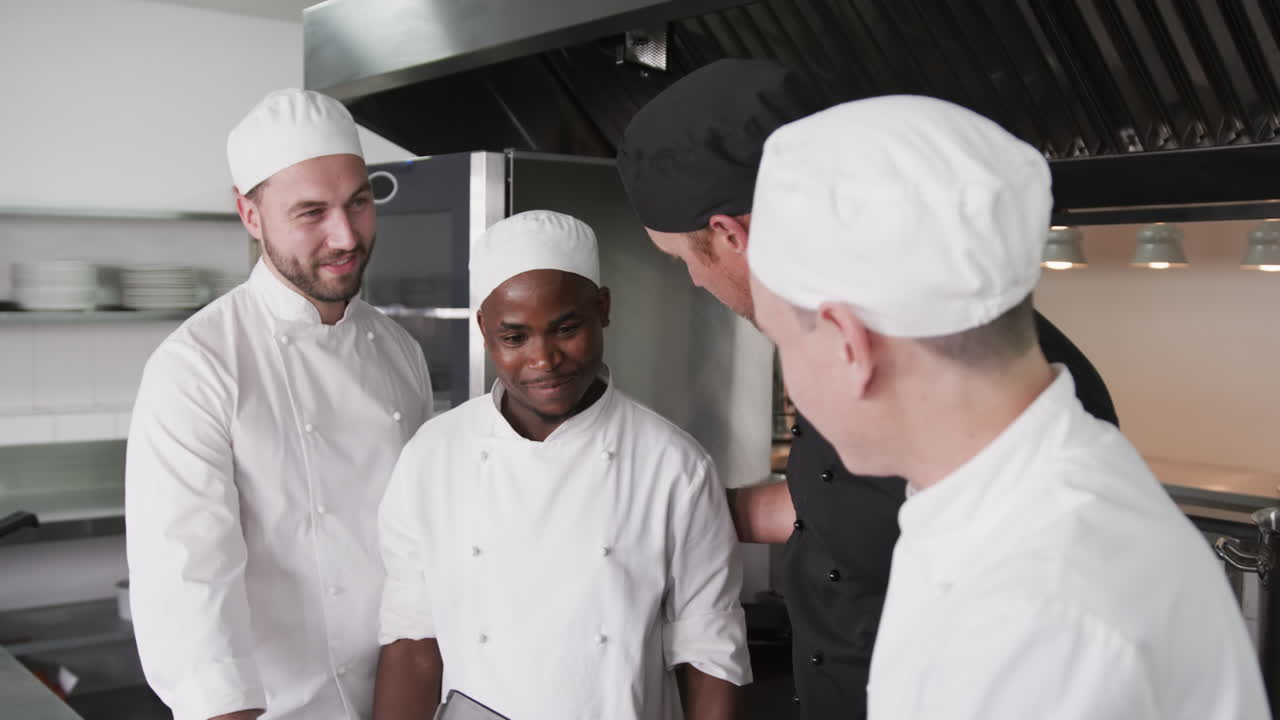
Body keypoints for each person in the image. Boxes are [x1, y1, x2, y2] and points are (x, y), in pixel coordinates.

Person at [616, 58, 1118, 717]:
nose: (696, 284)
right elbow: (850, 508)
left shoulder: (951, 366)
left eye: (684, 262)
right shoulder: (872, 349)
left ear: (728, 235)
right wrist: (669, 509)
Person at [746, 94, 1269, 719]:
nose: (795, 389)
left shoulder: (1036, 618)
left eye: (783, 342)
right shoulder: (989, 502)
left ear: (848, 343)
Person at [125, 89, 434, 720]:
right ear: (250, 214)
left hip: (408, 701)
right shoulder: (198, 367)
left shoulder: (400, 351)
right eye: (311, 213)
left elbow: (419, 555)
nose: (345, 236)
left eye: (359, 203)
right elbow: (189, 594)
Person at [372, 210, 750, 720]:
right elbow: (412, 642)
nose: (544, 360)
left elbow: (710, 649)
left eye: (566, 328)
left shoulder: (673, 465)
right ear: (484, 329)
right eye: (514, 338)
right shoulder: (433, 456)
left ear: (604, 309)